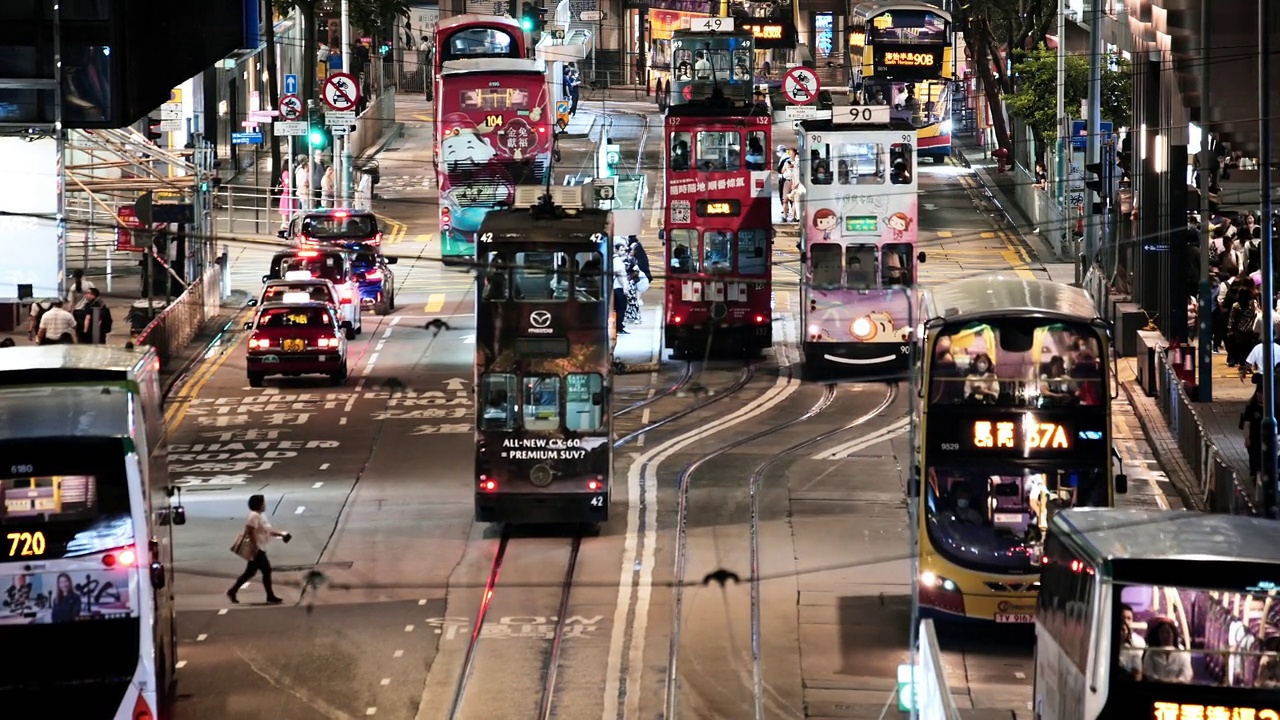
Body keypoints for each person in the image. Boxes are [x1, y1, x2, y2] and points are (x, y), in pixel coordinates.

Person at [227, 494, 290, 605]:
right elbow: (249, 531)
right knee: (266, 571)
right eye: (263, 503)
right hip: (257, 549)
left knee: (250, 572)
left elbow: (267, 530)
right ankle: (270, 596)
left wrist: (281, 534)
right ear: (258, 505)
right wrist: (254, 547)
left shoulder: (261, 516)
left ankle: (232, 591)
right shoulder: (254, 516)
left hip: (260, 547)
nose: (264, 505)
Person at [1142, 618, 1193, 683]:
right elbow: (1148, 673)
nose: (1165, 636)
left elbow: (1187, 674)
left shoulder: (1182, 653)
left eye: (1168, 632)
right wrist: (1161, 681)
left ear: (1173, 635)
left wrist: (1175, 681)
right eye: (1162, 632)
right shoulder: (1151, 653)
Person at [1118, 603, 1146, 680]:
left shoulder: (1139, 641)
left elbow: (1137, 672)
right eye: (1123, 618)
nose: (1125, 621)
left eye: (1129, 618)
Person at [612, 241, 630, 334]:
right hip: (618, 288)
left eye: (624, 250)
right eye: (621, 250)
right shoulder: (617, 260)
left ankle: (618, 326)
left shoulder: (614, 259)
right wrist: (625, 288)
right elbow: (619, 273)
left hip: (616, 288)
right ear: (616, 250)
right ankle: (619, 327)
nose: (623, 252)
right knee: (621, 308)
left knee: (617, 308)